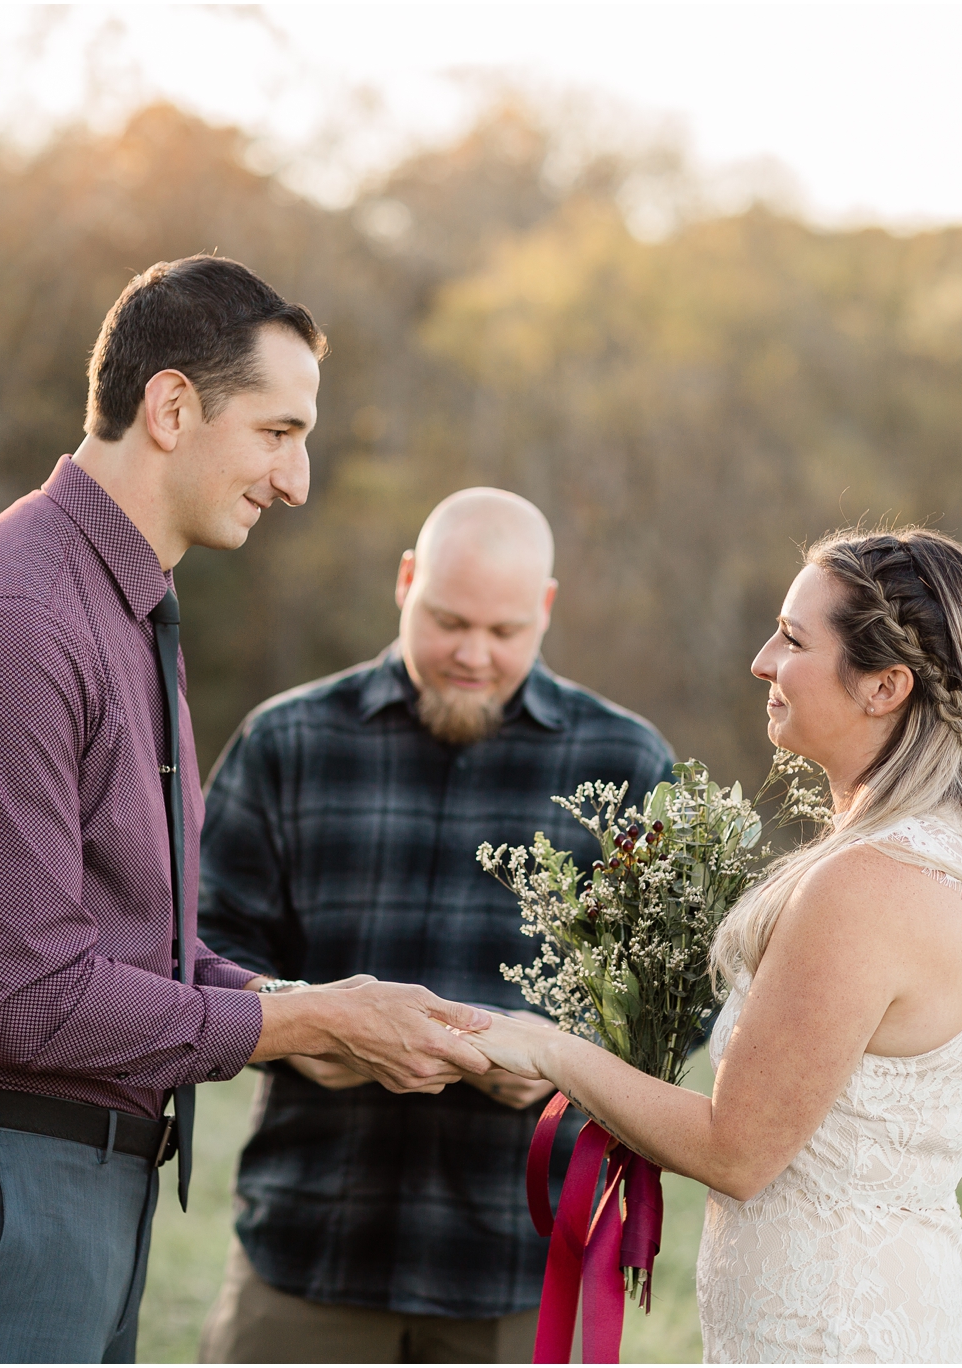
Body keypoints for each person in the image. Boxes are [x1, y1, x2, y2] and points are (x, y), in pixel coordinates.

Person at [0, 256, 495, 1365]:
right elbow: (34, 1002)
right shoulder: (14, 617)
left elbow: (134, 946)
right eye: (276, 433)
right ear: (174, 406)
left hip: (71, 1189)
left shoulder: (124, 608)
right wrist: (303, 1023)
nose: (295, 481)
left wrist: (310, 1007)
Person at [468, 527, 962, 1364]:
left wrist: (549, 1049)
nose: (761, 661)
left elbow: (738, 1149)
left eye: (793, 640)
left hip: (830, 1335)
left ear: (884, 686)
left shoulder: (868, 884)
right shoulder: (942, 851)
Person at [195, 488, 676, 1363]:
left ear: (546, 610)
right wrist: (295, 1024)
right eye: (449, 621)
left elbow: (678, 997)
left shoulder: (628, 764)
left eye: (504, 632)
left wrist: (569, 1063)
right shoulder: (288, 742)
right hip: (310, 1248)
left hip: (519, 1268)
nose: (472, 654)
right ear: (406, 580)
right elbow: (196, 943)